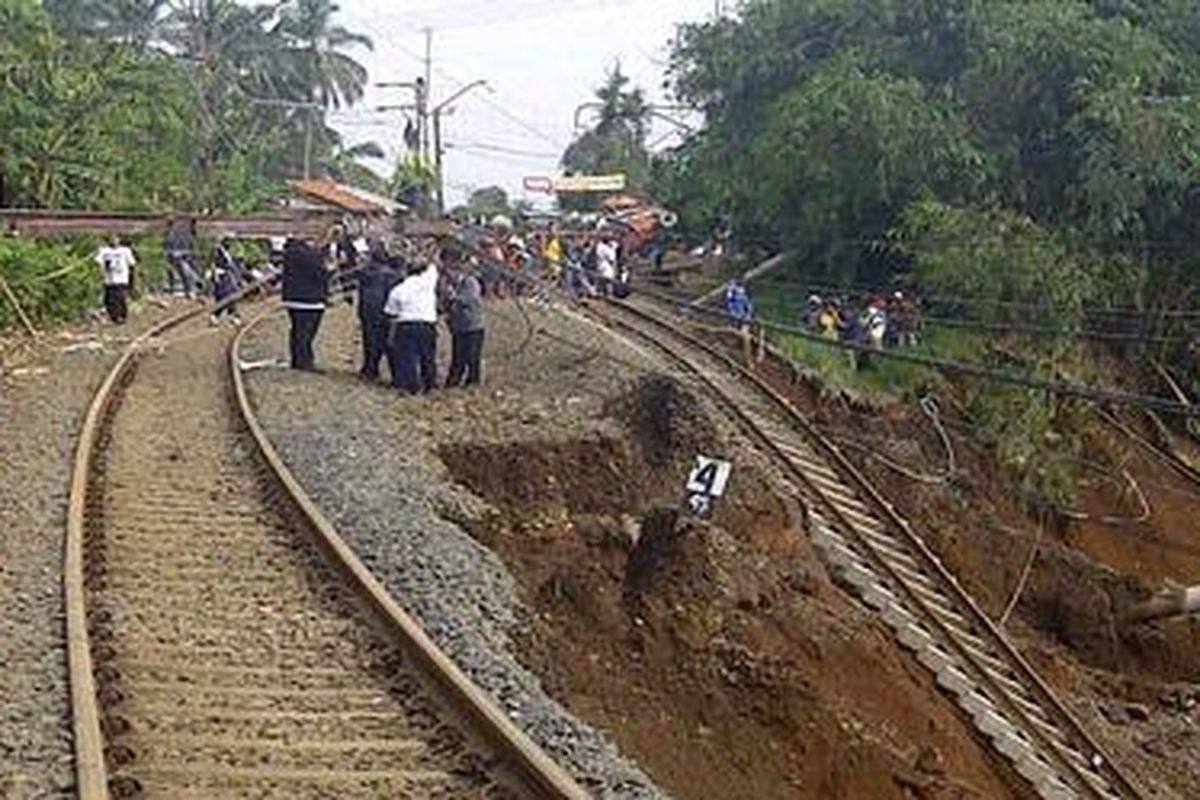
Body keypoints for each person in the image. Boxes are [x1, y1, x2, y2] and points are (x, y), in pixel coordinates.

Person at [384, 249, 440, 394]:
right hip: (427, 322)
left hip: (406, 323)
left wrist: (391, 334)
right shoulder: (428, 282)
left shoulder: (398, 290)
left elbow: (391, 313)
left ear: (405, 271)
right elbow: (432, 265)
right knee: (427, 355)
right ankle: (430, 383)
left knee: (407, 356)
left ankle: (412, 385)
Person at [356, 240, 402, 383]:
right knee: (388, 343)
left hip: (367, 310)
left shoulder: (364, 272)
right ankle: (396, 374)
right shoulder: (393, 275)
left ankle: (370, 369)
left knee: (369, 341)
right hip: (385, 310)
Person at [281, 237, 330, 371]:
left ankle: (297, 360)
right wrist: (330, 269)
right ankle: (305, 362)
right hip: (310, 300)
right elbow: (321, 273)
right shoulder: (308, 254)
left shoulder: (289, 251)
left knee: (297, 331)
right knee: (306, 333)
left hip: (293, 299)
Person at [445, 267, 485, 388]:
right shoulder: (450, 284)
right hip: (458, 326)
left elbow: (470, 299)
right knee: (458, 356)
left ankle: (473, 382)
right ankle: (453, 381)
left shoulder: (470, 282)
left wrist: (453, 297)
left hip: (473, 325)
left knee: (472, 357)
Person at [95, 235, 136, 324]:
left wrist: (131, 278)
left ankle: (121, 315)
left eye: (115, 238)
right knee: (110, 299)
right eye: (111, 238)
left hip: (122, 278)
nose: (114, 240)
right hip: (109, 279)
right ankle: (114, 316)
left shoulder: (125, 251)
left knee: (120, 297)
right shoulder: (104, 251)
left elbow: (132, 264)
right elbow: (98, 263)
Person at [164, 216, 201, 298]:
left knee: (188, 271)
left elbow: (192, 249)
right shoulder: (173, 235)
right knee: (185, 271)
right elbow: (168, 248)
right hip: (178, 258)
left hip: (185, 258)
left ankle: (192, 287)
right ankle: (188, 288)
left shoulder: (186, 235)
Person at [209, 238, 244, 325]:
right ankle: (230, 316)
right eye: (228, 242)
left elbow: (231, 264)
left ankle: (228, 316)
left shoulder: (227, 253)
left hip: (228, 276)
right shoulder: (217, 251)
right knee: (225, 297)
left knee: (229, 296)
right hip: (221, 277)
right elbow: (214, 265)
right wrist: (216, 277)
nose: (230, 244)